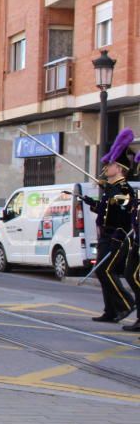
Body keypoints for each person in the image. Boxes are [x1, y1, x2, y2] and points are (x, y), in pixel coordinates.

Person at [80, 128, 137, 325]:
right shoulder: (112, 189)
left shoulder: (123, 189)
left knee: (105, 270)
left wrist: (117, 237)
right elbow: (107, 211)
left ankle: (125, 302)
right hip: (105, 235)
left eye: (111, 164)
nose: (107, 167)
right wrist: (90, 202)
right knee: (102, 272)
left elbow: (123, 214)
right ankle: (111, 310)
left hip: (116, 237)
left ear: (120, 168)